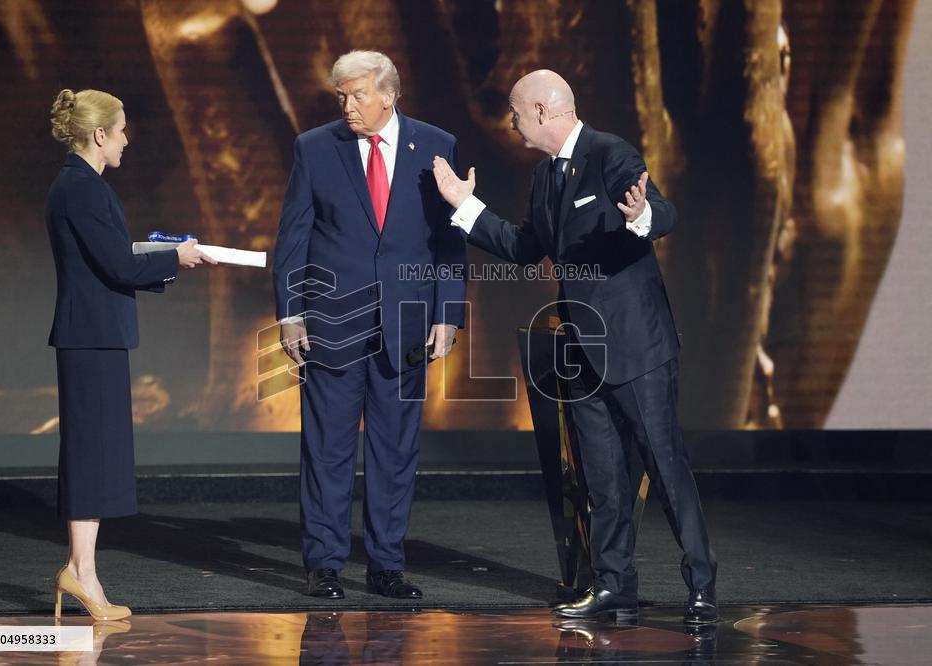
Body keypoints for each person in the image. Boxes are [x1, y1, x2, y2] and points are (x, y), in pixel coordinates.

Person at [432, 70, 717, 624]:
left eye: (515, 113)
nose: (511, 124)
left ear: (542, 111)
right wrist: (466, 205)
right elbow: (523, 247)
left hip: (635, 346)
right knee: (600, 475)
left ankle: (702, 585)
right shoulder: (545, 177)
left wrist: (641, 216)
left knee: (665, 467)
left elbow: (663, 211)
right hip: (581, 348)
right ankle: (613, 587)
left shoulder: (610, 153)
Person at [273, 51, 466, 599]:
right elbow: (294, 237)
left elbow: (449, 238)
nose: (347, 106)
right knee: (327, 448)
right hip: (332, 321)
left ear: (389, 95)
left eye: (358, 95)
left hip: (407, 323)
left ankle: (386, 565)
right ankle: (325, 563)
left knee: (395, 449)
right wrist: (290, 313)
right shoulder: (315, 147)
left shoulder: (437, 145)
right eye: (341, 96)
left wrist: (448, 313)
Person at [46, 88, 213, 620]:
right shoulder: (82, 188)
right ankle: (82, 573)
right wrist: (174, 257)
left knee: (95, 454)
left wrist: (165, 257)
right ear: (99, 135)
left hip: (97, 335)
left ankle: (81, 569)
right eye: (121, 130)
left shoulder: (82, 186)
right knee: (90, 455)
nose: (126, 139)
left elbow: (111, 259)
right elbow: (117, 265)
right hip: (91, 337)